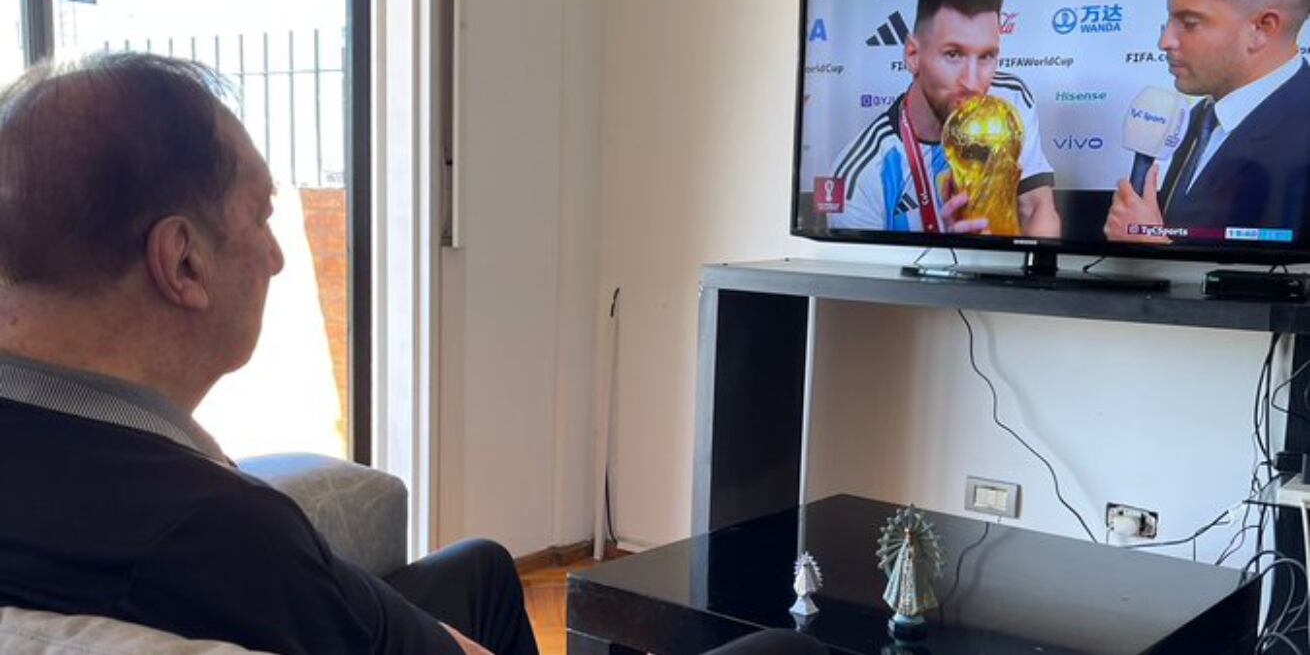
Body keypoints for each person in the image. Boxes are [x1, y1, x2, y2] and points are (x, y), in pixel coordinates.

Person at [0, 53, 824, 655]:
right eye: (260, 215)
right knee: (788, 649)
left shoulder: (82, 462)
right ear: (182, 261)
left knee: (482, 568)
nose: (279, 255)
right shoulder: (213, 529)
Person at [1105, 0, 1310, 243]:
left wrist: (1154, 247)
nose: (1165, 41)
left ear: (1262, 28)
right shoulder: (1200, 117)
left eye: (1189, 22)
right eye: (1169, 20)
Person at [825, 0, 1060, 236]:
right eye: (953, 54)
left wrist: (1009, 260)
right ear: (913, 54)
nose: (973, 82)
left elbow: (1038, 208)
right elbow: (869, 276)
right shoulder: (860, 177)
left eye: (986, 56)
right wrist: (952, 249)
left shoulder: (1010, 99)